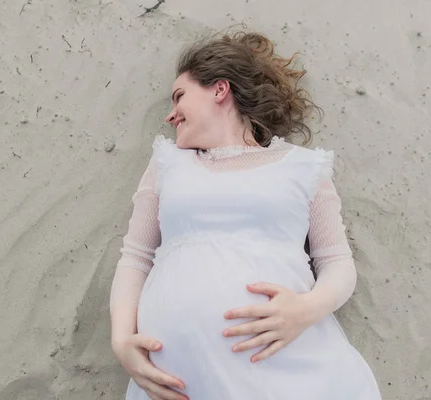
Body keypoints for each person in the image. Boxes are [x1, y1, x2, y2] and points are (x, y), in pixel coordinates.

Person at [109, 30, 382, 400]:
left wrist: (305, 309)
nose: (170, 115)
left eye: (179, 97)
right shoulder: (167, 164)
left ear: (220, 89)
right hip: (177, 381)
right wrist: (122, 341)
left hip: (280, 369)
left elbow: (337, 262)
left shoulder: (303, 168)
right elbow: (136, 257)